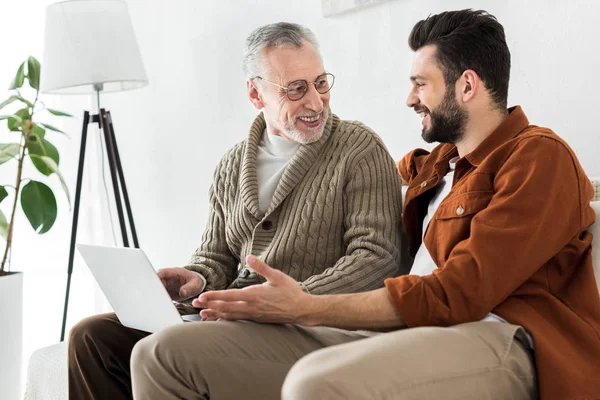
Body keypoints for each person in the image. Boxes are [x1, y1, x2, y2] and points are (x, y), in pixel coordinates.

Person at [130, 9, 600, 400]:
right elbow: (337, 183)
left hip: (505, 335)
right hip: (416, 331)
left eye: (421, 83)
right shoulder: (436, 167)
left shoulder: (539, 157)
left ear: (467, 86)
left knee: (317, 382)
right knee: (160, 354)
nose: (409, 98)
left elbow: (458, 294)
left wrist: (303, 305)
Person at [68, 22, 404, 399]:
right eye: (296, 89)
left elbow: (378, 259)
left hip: (313, 326)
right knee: (91, 337)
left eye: (320, 83)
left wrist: (289, 300)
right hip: (238, 318)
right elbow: (217, 256)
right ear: (256, 94)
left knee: (162, 350)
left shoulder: (359, 150)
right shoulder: (231, 165)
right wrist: (196, 278)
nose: (315, 101)